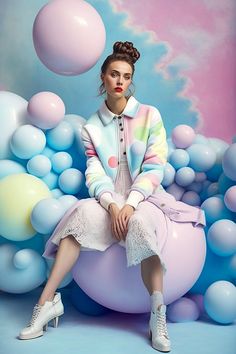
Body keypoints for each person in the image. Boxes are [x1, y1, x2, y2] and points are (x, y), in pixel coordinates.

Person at [18, 41, 205, 352]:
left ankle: (157, 315)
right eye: (114, 74)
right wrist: (112, 204)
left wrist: (130, 204)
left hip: (145, 198)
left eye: (127, 76)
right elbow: (94, 173)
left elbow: (155, 166)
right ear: (102, 78)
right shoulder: (91, 127)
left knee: (142, 227)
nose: (120, 81)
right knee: (77, 218)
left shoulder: (150, 115)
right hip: (107, 200)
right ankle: (46, 303)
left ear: (131, 80)